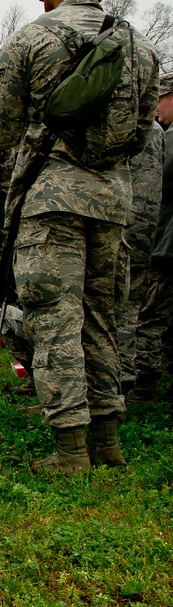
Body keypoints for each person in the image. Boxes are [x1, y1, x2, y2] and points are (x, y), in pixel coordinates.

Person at [0, 0, 159, 473]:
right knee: (102, 320)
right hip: (113, 204)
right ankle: (109, 445)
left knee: (54, 320)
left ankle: (69, 452)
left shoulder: (31, 39)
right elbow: (143, 133)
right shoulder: (141, 48)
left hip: (50, 202)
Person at [115, 123, 164, 398]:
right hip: (148, 226)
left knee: (104, 306)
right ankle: (127, 377)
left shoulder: (113, 115)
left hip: (119, 222)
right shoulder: (155, 129)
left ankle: (110, 383)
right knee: (131, 305)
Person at [135, 73, 173, 401]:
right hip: (161, 237)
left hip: (164, 245)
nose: (157, 107)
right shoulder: (163, 134)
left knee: (149, 314)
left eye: (161, 98)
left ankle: (143, 382)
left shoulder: (168, 137)